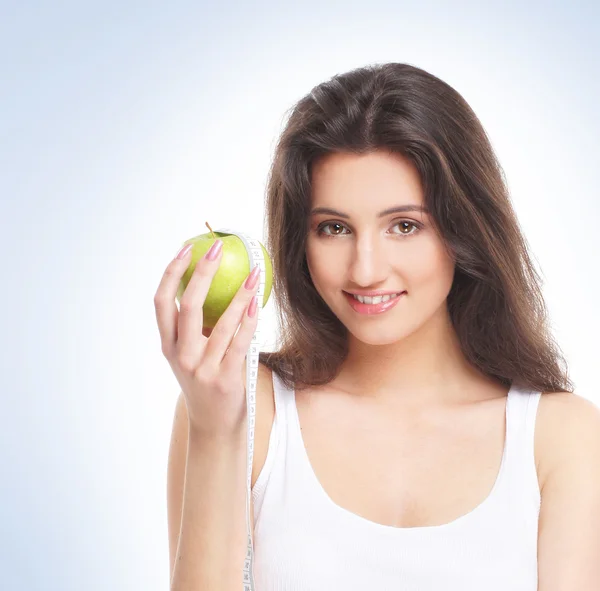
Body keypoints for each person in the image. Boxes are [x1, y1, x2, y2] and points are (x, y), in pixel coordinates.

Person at [158, 62, 600, 590]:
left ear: (465, 230)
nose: (365, 269)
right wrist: (214, 431)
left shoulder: (560, 437)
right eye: (334, 227)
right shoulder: (246, 411)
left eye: (405, 225)